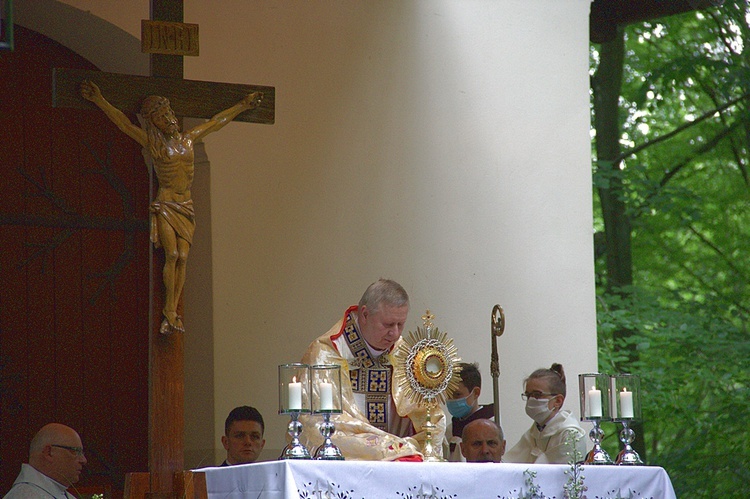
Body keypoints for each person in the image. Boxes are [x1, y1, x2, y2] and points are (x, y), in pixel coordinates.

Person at [80, 80, 262, 335]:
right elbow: (123, 124)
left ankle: (173, 309)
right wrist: (99, 100)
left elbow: (215, 123)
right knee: (173, 255)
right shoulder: (154, 146)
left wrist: (242, 106)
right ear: (154, 124)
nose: (168, 119)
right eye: (161, 118)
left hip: (185, 204)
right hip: (166, 204)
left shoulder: (189, 140)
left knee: (184, 257)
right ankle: (169, 311)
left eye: (168, 113)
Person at [299, 278, 445, 461]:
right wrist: (389, 449)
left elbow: (431, 420)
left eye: (401, 324)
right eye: (388, 324)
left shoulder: (406, 356)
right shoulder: (325, 355)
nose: (395, 333)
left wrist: (415, 448)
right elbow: (319, 427)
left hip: (401, 468)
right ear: (365, 315)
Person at [503, 363, 587, 464]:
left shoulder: (570, 436)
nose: (531, 400)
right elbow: (509, 464)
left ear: (558, 401)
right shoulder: (533, 434)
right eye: (528, 395)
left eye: (537, 395)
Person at [4, 423, 87, 498]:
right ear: (49, 453)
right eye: (75, 451)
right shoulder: (25, 496)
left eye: (81, 452)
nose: (83, 460)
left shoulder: (64, 495)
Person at [444, 362, 496, 462]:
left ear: (476, 393)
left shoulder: (491, 425)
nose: (451, 400)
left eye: (457, 394)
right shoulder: (451, 429)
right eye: (448, 395)